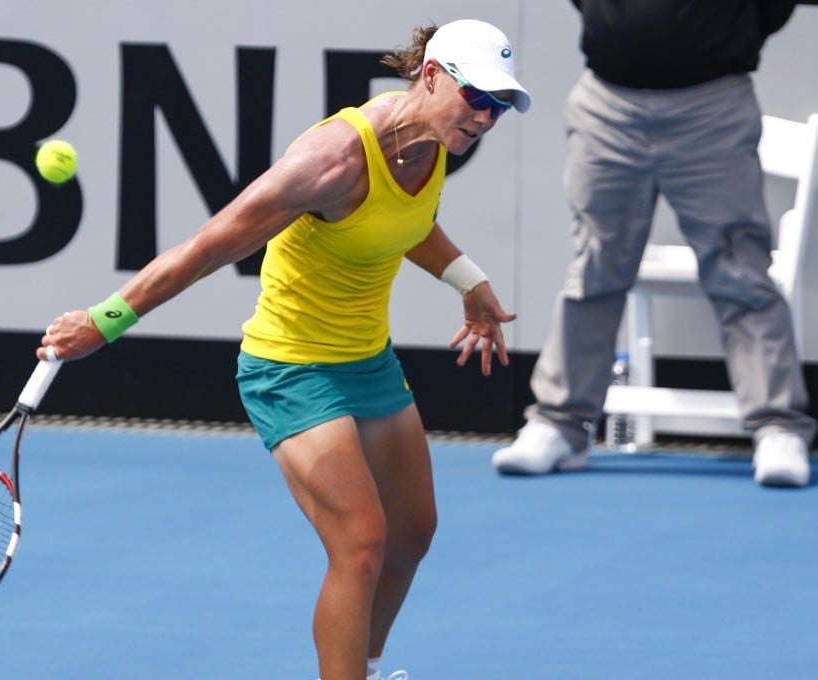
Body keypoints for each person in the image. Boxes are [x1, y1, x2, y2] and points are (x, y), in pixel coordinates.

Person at [37, 18, 529, 680]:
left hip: (367, 360)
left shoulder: (435, 142)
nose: (487, 119)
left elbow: (405, 222)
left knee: (413, 534)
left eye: (500, 106)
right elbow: (212, 244)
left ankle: (368, 667)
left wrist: (467, 280)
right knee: (360, 543)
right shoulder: (332, 159)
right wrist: (107, 319)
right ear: (433, 77)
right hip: (291, 368)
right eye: (479, 99)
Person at [492, 0, 817, 487]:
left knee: (739, 269)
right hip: (607, 102)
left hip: (713, 104)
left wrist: (722, 36)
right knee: (594, 268)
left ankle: (778, 426)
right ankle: (561, 424)